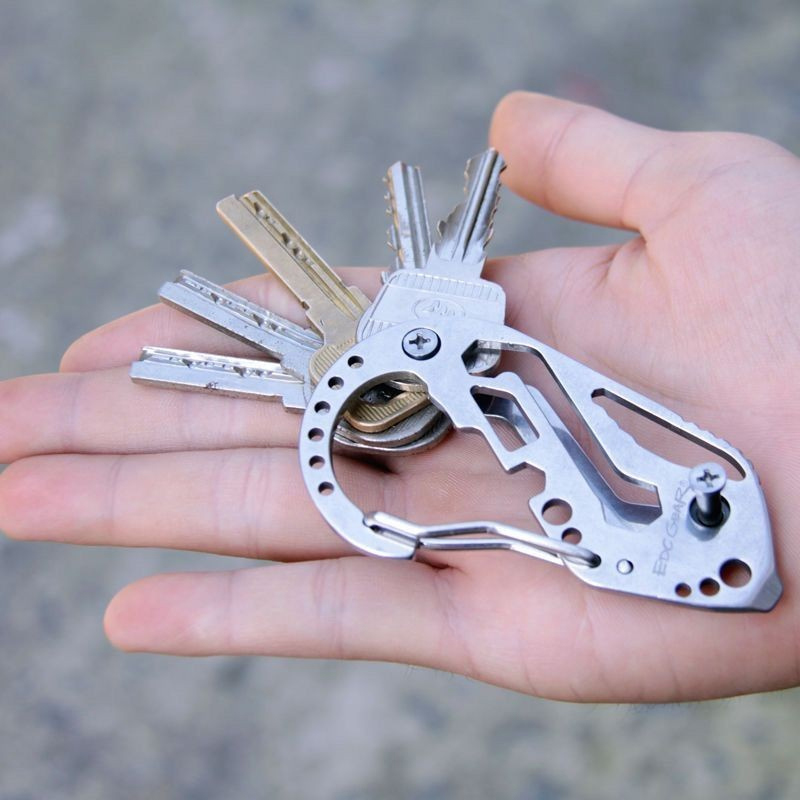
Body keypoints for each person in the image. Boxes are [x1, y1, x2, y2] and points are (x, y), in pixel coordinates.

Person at [0, 92, 798, 702]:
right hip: (571, 488)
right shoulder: (498, 382)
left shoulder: (510, 385)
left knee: (582, 440)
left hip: (608, 514)